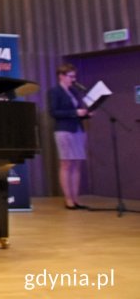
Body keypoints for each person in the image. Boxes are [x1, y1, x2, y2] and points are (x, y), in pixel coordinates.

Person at [47, 63, 91, 210]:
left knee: (77, 164)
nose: (74, 79)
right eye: (71, 76)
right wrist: (74, 113)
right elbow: (54, 112)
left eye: (74, 76)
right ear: (61, 76)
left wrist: (86, 114)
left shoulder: (74, 92)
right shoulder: (55, 92)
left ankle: (76, 198)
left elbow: (78, 110)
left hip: (78, 129)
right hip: (64, 130)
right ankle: (68, 200)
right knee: (67, 164)